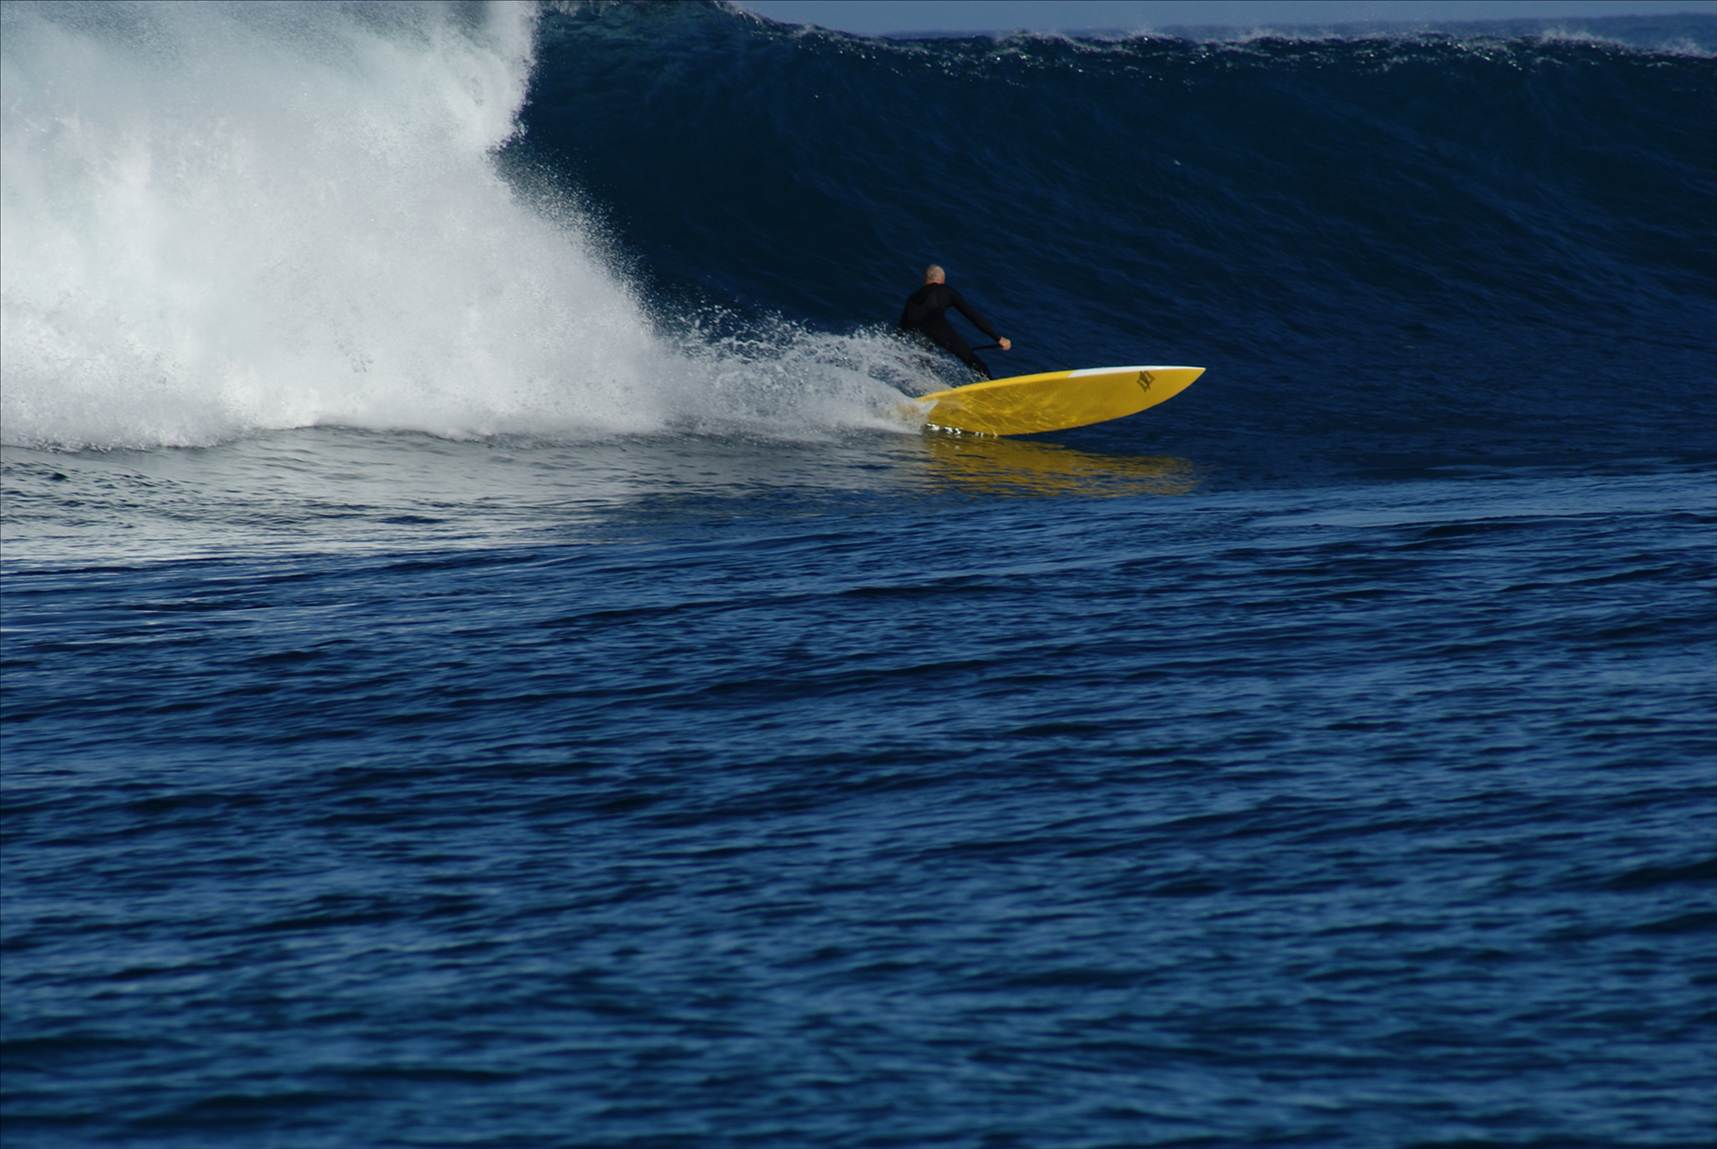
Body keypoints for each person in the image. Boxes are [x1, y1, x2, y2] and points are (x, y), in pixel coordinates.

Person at [899, 264, 1012, 379]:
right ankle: (990, 387)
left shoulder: (912, 297)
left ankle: (924, 386)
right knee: (975, 362)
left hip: (916, 332)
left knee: (925, 363)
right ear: (942, 279)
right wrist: (998, 338)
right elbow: (972, 315)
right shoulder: (945, 290)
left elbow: (903, 326)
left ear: (926, 279)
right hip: (937, 328)